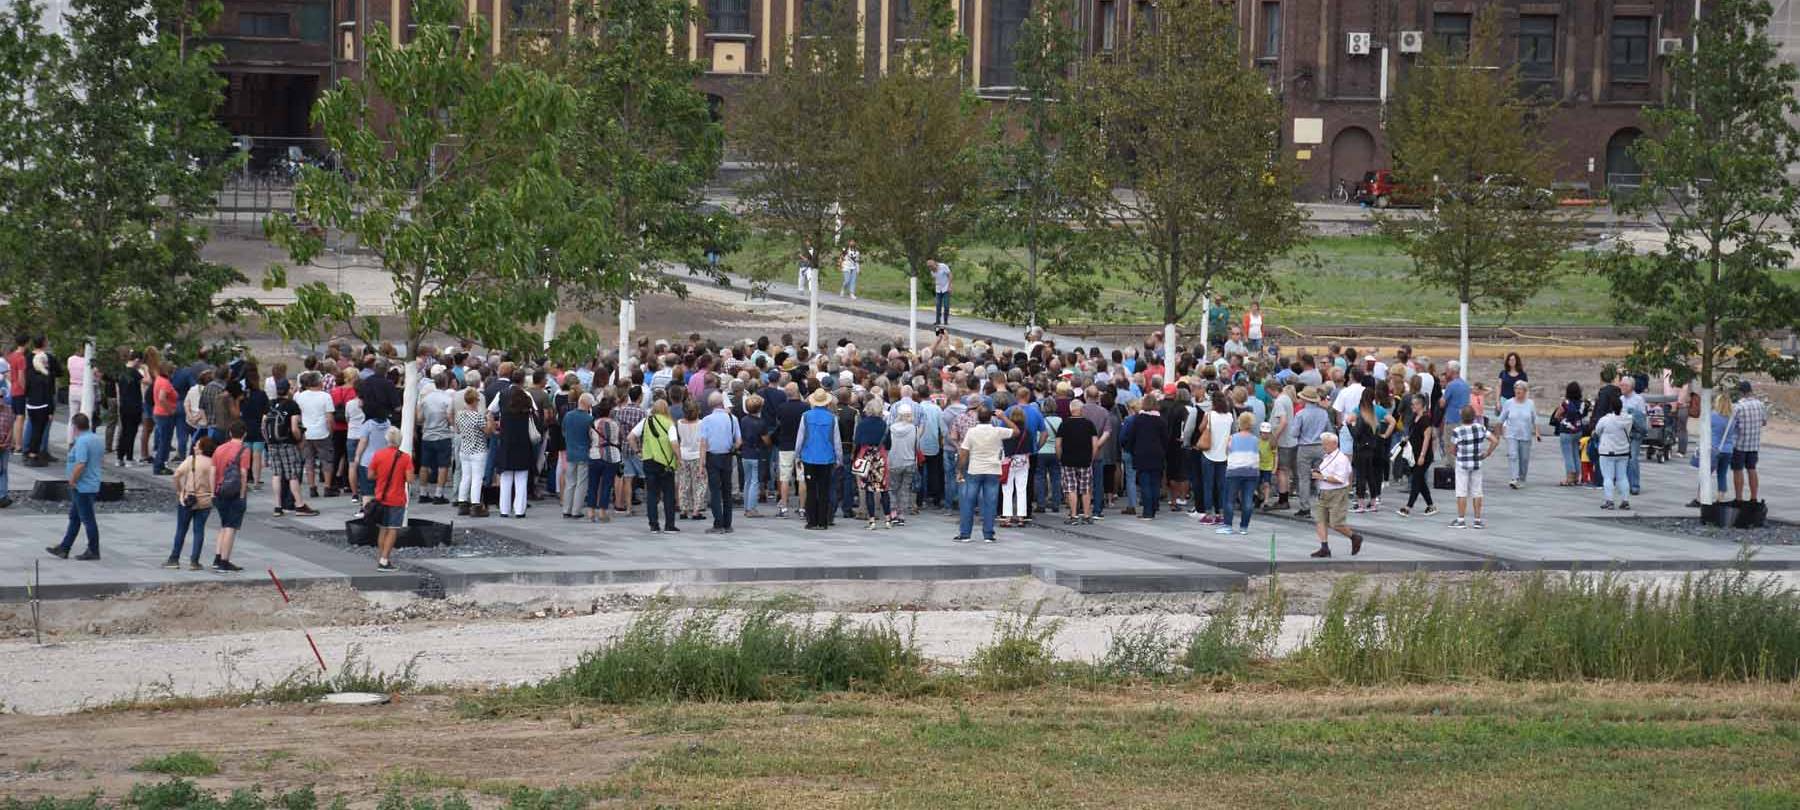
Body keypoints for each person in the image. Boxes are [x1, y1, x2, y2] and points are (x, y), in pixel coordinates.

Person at [45, 412, 104, 561]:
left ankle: (93, 550)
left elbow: (81, 464)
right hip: (91, 483)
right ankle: (64, 548)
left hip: (82, 486)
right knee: (75, 517)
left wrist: (72, 480)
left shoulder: (83, 442)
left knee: (87, 518)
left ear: (75, 427)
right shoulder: (96, 438)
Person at [955, 405, 1014, 543]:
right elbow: (1016, 431)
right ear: (991, 417)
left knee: (968, 502)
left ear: (977, 417)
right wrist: (1004, 417)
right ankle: (988, 534)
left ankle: (965, 533)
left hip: (975, 469)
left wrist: (960, 470)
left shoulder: (971, 432)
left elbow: (964, 453)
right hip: (993, 470)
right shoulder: (997, 431)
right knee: (990, 503)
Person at [265, 380, 318, 517]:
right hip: (287, 443)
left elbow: (263, 425)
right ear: (288, 390)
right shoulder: (292, 405)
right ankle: (300, 505)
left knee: (277, 474)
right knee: (292, 474)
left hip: (272, 443)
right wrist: (299, 439)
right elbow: (294, 428)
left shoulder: (270, 404)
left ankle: (278, 506)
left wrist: (269, 441)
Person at [1308, 431, 1363, 558]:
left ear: (1334, 444)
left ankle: (1354, 537)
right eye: (1323, 444)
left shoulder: (1341, 459)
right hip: (1324, 492)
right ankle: (1324, 547)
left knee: (1336, 523)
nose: (1323, 447)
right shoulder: (1327, 455)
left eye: (1325, 444)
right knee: (1320, 520)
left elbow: (1340, 479)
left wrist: (1322, 477)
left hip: (1337, 493)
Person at [794, 388, 842, 530]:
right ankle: (823, 521)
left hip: (809, 456)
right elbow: (836, 440)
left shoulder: (806, 416)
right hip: (827, 458)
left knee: (811, 489)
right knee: (824, 490)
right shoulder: (832, 418)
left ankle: (812, 521)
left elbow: (800, 437)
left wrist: (797, 455)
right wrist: (839, 458)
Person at [367, 426, 414, 571]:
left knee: (382, 529)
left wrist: (382, 477)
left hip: (381, 496)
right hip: (397, 498)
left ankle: (382, 557)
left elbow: (370, 475)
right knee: (393, 529)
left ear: (387, 439)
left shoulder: (378, 455)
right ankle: (384, 560)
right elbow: (410, 479)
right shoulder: (406, 458)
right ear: (400, 441)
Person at [630, 400, 680, 533]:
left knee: (652, 493)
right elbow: (674, 443)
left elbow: (631, 436)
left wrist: (638, 451)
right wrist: (679, 458)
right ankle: (669, 525)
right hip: (666, 463)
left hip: (648, 460)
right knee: (668, 494)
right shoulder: (669, 423)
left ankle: (654, 525)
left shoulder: (646, 421)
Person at [167, 436, 216, 569]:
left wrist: (179, 490)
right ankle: (194, 561)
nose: (194, 447)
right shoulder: (213, 463)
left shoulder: (191, 460)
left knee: (181, 530)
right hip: (205, 500)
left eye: (197, 445)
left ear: (202, 448)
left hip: (187, 499)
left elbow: (176, 475)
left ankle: (174, 559)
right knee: (199, 530)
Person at [208, 421, 250, 572]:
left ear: (230, 433)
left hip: (219, 491)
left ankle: (217, 557)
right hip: (234, 493)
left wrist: (212, 492)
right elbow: (244, 475)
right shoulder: (244, 450)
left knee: (223, 525)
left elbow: (212, 472)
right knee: (230, 528)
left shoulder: (219, 449)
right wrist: (243, 494)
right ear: (244, 434)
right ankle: (224, 562)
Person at [698, 391, 741, 533]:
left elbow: (703, 443)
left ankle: (718, 523)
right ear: (722, 403)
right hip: (727, 456)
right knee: (727, 490)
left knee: (715, 490)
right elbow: (739, 441)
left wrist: (701, 463)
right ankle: (728, 524)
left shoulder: (706, 420)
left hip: (712, 456)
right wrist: (732, 447)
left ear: (710, 405)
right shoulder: (732, 418)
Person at [1449, 405, 1496, 529]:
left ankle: (1461, 520)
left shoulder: (1457, 431)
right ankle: (1477, 520)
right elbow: (1494, 440)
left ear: (1462, 417)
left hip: (1462, 464)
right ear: (1474, 416)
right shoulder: (1480, 428)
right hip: (1476, 463)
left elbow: (1452, 450)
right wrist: (1487, 453)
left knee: (1461, 492)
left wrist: (1457, 454)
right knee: (1477, 492)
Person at [1119, 394, 1165, 519]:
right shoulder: (1160, 420)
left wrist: (1131, 450)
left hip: (1141, 454)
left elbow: (1131, 438)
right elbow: (1165, 439)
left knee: (1145, 483)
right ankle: (1154, 507)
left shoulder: (1138, 420)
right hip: (1157, 455)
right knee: (1155, 483)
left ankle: (1147, 511)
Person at [1288, 387, 1331, 520]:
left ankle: (1305, 507)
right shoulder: (1323, 413)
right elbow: (1329, 430)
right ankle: (1324, 506)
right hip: (1320, 447)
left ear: (1305, 399)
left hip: (1305, 447)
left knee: (1304, 478)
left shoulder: (1301, 414)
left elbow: (1294, 433)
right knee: (1320, 477)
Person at [495, 385, 537, 518]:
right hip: (523, 446)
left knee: (506, 479)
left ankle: (504, 510)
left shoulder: (505, 412)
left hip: (507, 446)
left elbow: (490, 411)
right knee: (521, 479)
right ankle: (520, 510)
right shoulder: (527, 412)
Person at [853, 399, 895, 530]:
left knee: (868, 489)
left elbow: (857, 441)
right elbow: (888, 444)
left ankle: (872, 521)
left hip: (866, 457)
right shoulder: (884, 425)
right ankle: (888, 519)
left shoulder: (862, 424)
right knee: (884, 489)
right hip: (880, 457)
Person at [1394, 394, 1438, 517]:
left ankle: (1408, 507)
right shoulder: (1415, 417)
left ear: (1420, 405)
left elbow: (1427, 438)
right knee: (1420, 480)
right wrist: (1407, 438)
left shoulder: (1426, 419)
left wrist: (1422, 456)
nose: (1412, 406)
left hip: (1423, 455)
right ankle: (1431, 506)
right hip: (1414, 454)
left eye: (1414, 404)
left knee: (1416, 480)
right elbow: (1414, 433)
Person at [1689, 392, 1736, 507]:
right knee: (1722, 474)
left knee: (1705, 474)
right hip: (1728, 450)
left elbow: (1705, 430)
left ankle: (1700, 498)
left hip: (1713, 449)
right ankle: (1720, 498)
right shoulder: (1732, 418)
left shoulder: (1713, 416)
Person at [294, 372, 336, 498]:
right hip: (322, 431)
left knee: (309, 460)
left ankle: (312, 487)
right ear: (319, 382)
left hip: (307, 432)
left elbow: (298, 416)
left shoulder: (300, 397)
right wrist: (330, 431)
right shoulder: (325, 397)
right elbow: (329, 418)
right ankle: (327, 487)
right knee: (326, 460)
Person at [1217, 413, 1260, 536]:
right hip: (1251, 472)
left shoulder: (1232, 438)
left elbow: (1226, 451)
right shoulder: (1255, 440)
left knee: (1229, 499)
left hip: (1234, 471)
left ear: (1239, 423)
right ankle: (1244, 527)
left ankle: (1228, 525)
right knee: (1247, 500)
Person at [417, 372, 456, 505]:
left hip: (427, 435)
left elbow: (419, 418)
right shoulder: (448, 399)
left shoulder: (426, 399)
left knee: (424, 464)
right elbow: (450, 418)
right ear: (445, 383)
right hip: (443, 435)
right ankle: (439, 493)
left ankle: (423, 492)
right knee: (443, 465)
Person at [1056, 399, 1098, 523]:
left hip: (1068, 460)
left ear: (1071, 409)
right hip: (1085, 460)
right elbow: (1095, 444)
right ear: (1082, 410)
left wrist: (1060, 457)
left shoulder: (1064, 424)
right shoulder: (1089, 424)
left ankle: (1073, 515)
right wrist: (1092, 458)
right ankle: (1086, 515)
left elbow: (1058, 444)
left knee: (1071, 488)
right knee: (1085, 488)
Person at [454, 388, 491, 518]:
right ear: (475, 401)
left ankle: (462, 503)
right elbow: (487, 432)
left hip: (464, 449)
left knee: (466, 477)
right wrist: (490, 420)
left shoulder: (459, 415)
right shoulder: (477, 416)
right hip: (478, 450)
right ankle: (476, 506)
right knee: (477, 478)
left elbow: (457, 430)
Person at [1592, 398, 1634, 511]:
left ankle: (1609, 501)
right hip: (1623, 451)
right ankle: (1625, 501)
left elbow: (1597, 431)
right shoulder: (1628, 419)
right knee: (1622, 477)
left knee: (1608, 477)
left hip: (1607, 451)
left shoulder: (1605, 420)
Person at [1729, 380, 1767, 503]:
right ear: (1750, 391)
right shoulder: (1760, 405)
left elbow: (1731, 426)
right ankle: (1754, 497)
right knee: (1752, 469)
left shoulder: (1738, 407)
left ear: (1740, 392)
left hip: (1739, 444)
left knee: (1738, 470)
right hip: (1754, 444)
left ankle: (1739, 498)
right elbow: (1764, 422)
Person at [560, 393, 596, 519]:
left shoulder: (568, 416)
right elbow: (592, 437)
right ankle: (576, 510)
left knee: (570, 482)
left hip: (570, 452)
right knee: (581, 483)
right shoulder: (589, 419)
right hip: (584, 453)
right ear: (588, 405)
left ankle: (566, 509)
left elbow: (564, 432)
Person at [1497, 382, 1539, 488]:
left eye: (1520, 389)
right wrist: (1498, 432)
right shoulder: (1509, 403)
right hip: (1511, 434)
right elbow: (1501, 418)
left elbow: (1535, 419)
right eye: (1516, 388)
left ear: (1525, 391)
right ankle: (1514, 478)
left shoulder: (1530, 403)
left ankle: (1522, 478)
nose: (1518, 391)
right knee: (1513, 455)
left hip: (1526, 435)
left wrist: (1537, 432)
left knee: (1524, 458)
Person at [587, 398, 622, 522]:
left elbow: (590, 438)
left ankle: (590, 511)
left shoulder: (593, 423)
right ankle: (602, 511)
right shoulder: (615, 424)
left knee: (593, 484)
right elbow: (618, 439)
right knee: (607, 485)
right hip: (611, 456)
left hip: (595, 454)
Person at [1551, 382, 1589, 487]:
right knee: (1576, 454)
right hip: (1578, 430)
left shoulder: (1566, 403)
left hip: (1566, 431)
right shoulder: (1582, 403)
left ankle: (1569, 478)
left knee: (1568, 455)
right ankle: (1577, 477)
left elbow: (1557, 415)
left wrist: (1562, 419)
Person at [738, 395, 769, 518]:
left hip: (746, 452)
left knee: (747, 481)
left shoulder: (743, 420)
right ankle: (752, 508)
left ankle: (746, 507)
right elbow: (766, 440)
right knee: (755, 481)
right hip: (757, 453)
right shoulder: (761, 423)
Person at [675, 401, 706, 521]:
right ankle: (696, 509)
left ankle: (683, 508)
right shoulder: (701, 423)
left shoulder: (679, 423)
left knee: (684, 483)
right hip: (697, 455)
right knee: (699, 483)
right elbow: (703, 443)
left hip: (683, 454)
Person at [114, 351, 144, 466]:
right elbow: (147, 381)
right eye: (140, 362)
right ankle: (129, 458)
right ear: (137, 360)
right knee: (132, 432)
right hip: (134, 405)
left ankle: (119, 457)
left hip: (123, 405)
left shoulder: (121, 371)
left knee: (124, 431)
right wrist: (145, 369)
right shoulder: (135, 373)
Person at [930, 258, 952, 326]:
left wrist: (950, 286)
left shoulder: (943, 266)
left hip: (946, 288)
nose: (931, 269)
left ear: (935, 264)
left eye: (932, 267)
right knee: (938, 305)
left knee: (946, 305)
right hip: (938, 289)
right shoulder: (932, 271)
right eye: (929, 267)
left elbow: (950, 275)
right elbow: (935, 279)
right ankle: (938, 321)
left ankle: (945, 320)